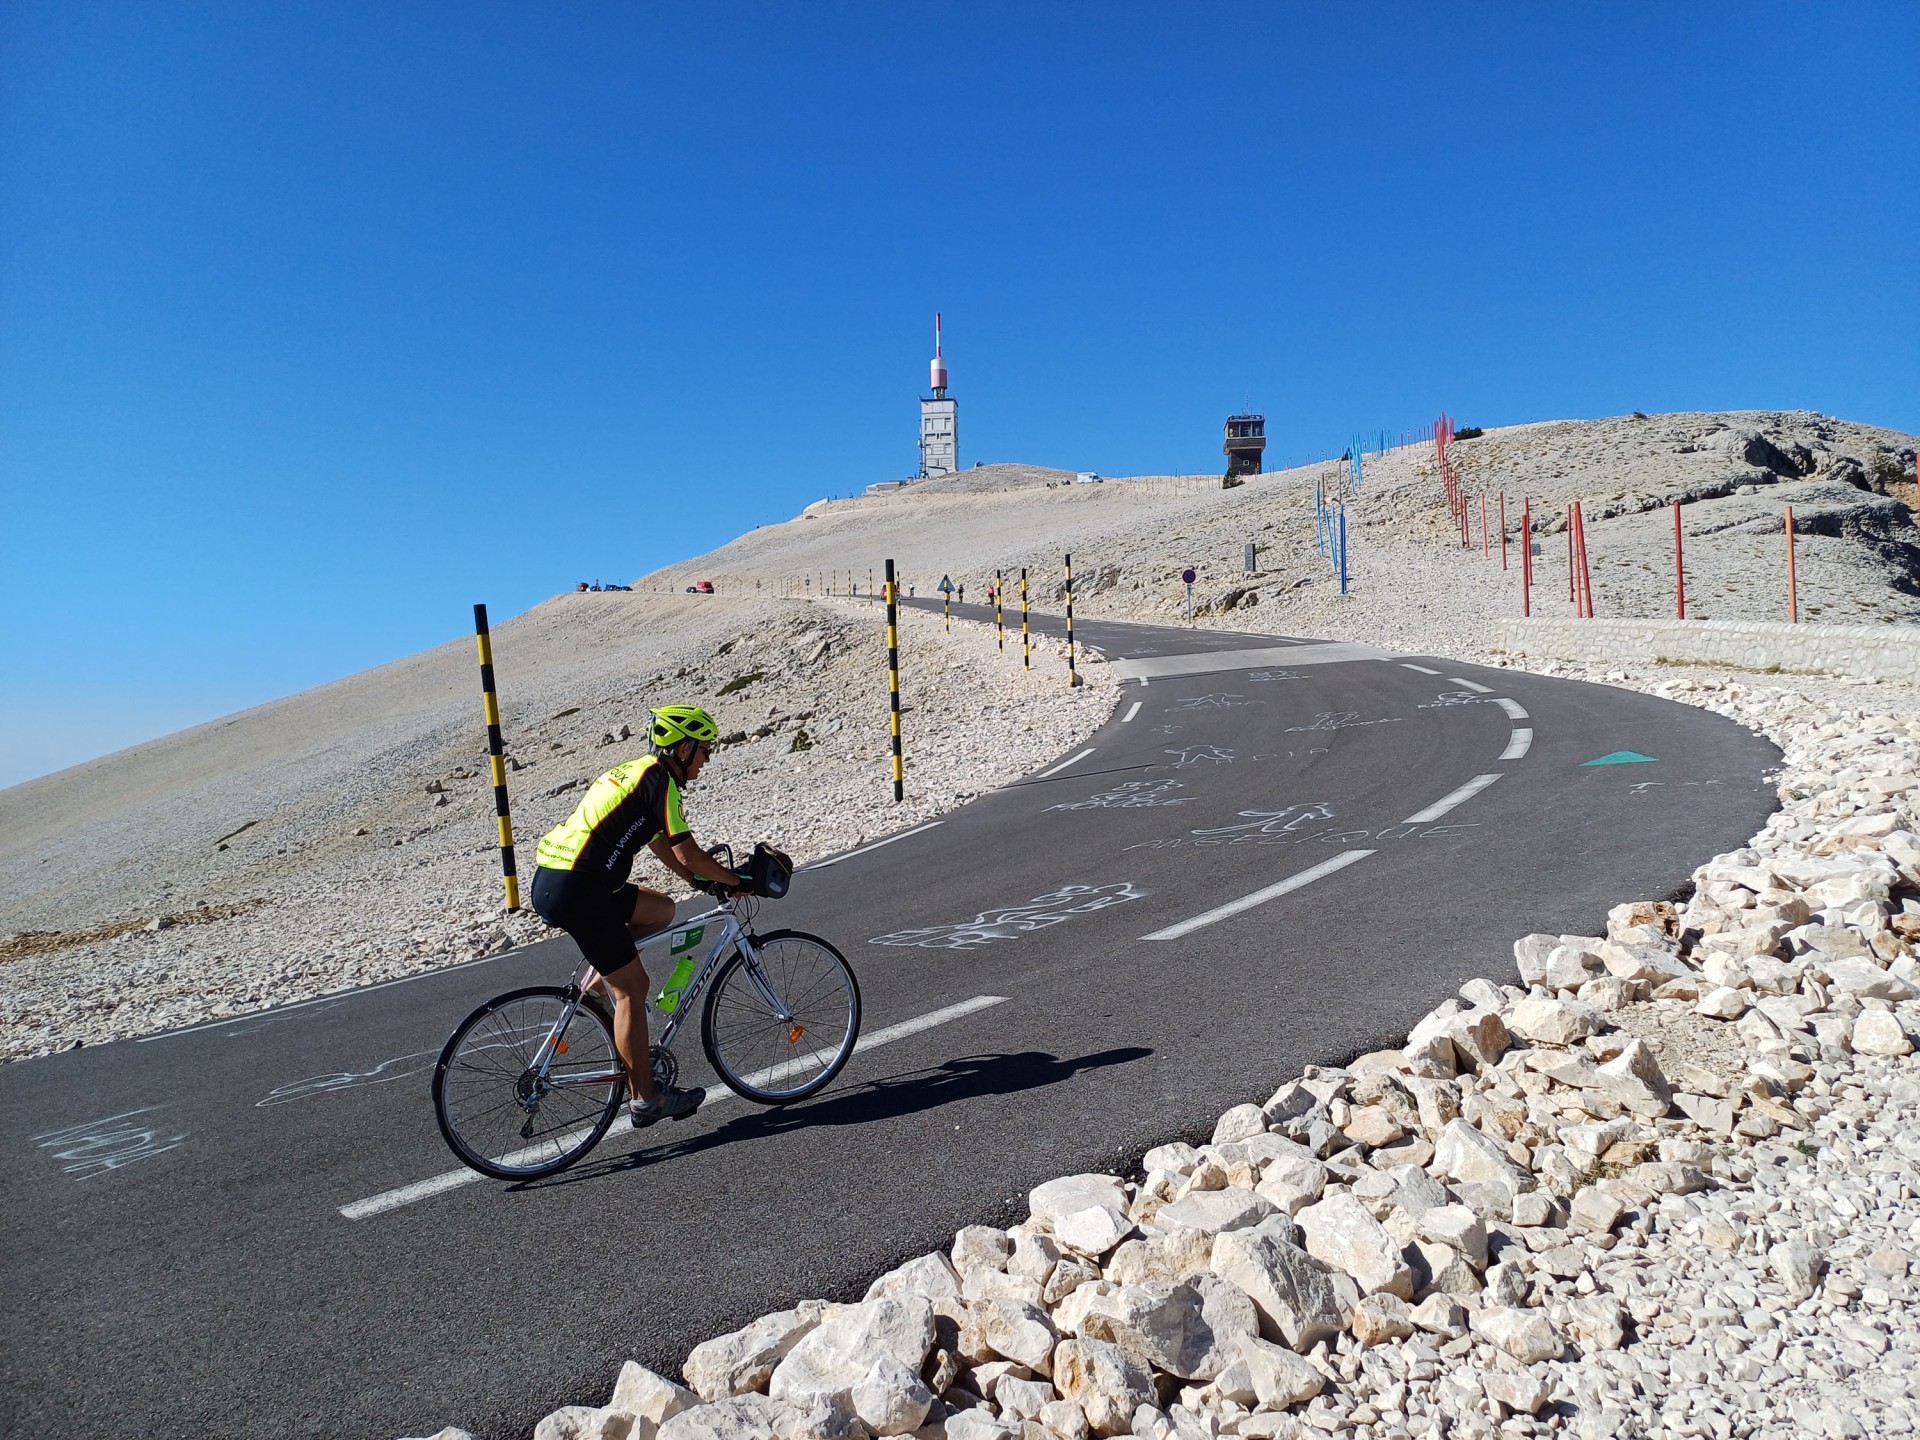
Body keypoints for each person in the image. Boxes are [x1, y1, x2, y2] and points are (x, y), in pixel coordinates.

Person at [530, 704, 742, 1127]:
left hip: (562, 877)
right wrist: (736, 880)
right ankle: (646, 1099)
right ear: (681, 749)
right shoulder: (661, 783)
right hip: (579, 888)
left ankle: (594, 982)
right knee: (632, 988)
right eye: (704, 750)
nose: (707, 758)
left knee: (661, 910)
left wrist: (696, 881)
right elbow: (687, 850)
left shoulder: (638, 773)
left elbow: (660, 842)